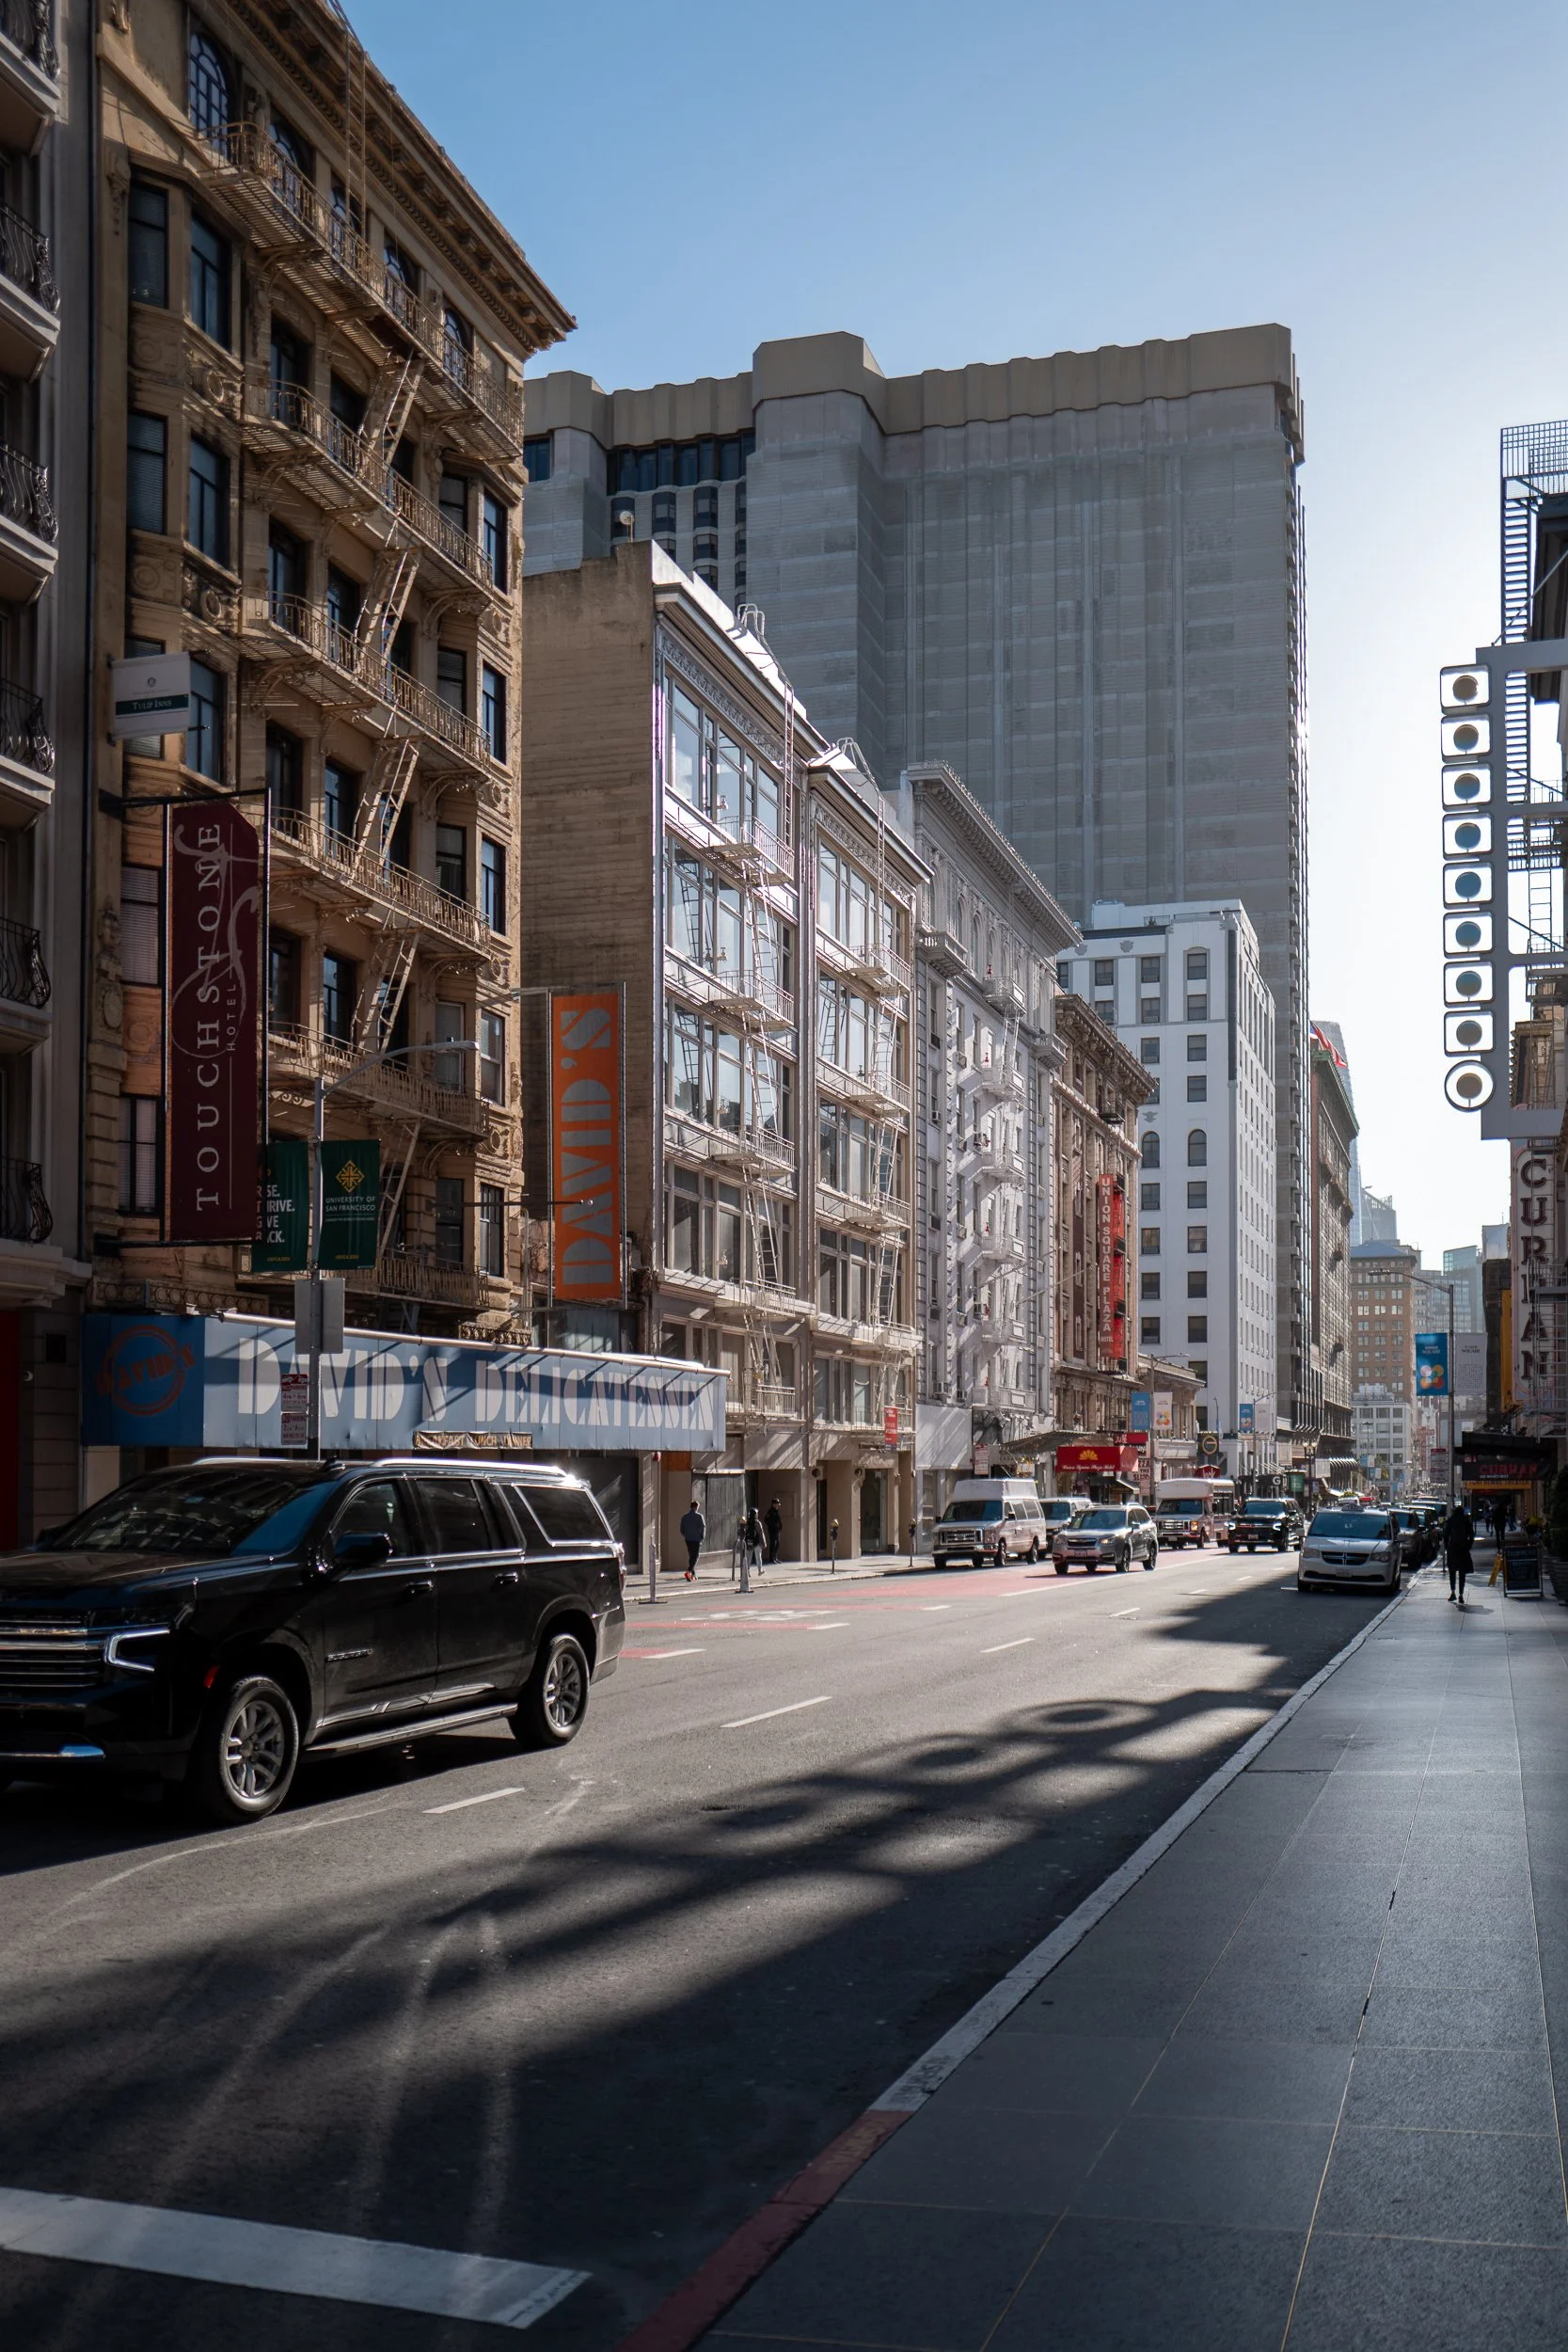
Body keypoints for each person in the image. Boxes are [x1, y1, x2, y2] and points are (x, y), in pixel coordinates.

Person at [1443, 1499, 1475, 1608]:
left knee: (1452, 1571)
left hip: (1453, 1549)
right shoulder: (1466, 1520)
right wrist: (1469, 1545)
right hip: (1463, 1549)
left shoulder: (1451, 1520)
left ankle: (1453, 1592)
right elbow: (1472, 1535)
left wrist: (1447, 1546)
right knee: (1462, 1573)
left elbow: (1446, 1535)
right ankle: (1461, 1594)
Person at [680, 1497, 705, 1582]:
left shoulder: (685, 1517)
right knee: (696, 1556)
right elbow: (703, 1527)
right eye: (697, 1507)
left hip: (688, 1539)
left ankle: (693, 1575)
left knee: (692, 1556)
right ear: (696, 1507)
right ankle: (689, 1571)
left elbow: (682, 1529)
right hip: (696, 1539)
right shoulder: (699, 1516)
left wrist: (686, 1535)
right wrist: (702, 1536)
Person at [744, 1503, 766, 1581]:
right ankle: (760, 1570)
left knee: (748, 1557)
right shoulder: (758, 1523)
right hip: (757, 1542)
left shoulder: (747, 1523)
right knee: (758, 1557)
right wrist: (763, 1543)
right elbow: (761, 1533)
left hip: (749, 1542)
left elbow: (744, 1532)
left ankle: (747, 1571)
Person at [764, 1498, 784, 1565]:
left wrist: (780, 1527)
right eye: (777, 1504)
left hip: (777, 1530)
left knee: (777, 1544)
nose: (778, 1505)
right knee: (773, 1544)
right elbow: (766, 1520)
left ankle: (775, 1557)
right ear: (774, 1504)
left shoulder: (776, 1511)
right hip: (772, 1530)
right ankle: (771, 1558)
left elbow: (778, 1520)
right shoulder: (770, 1512)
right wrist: (772, 1525)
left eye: (779, 1504)